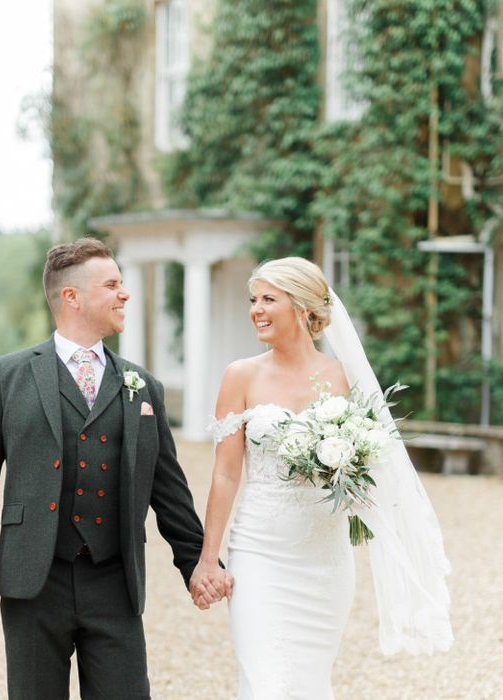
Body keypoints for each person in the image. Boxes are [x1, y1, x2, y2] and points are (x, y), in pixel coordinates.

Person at [0, 237, 230, 699]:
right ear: (71, 297)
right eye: (112, 284)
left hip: (114, 581)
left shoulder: (143, 387)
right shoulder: (8, 375)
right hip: (33, 581)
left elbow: (169, 491)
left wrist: (198, 565)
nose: (125, 294)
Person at [190, 257, 453, 699]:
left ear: (304, 309)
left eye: (268, 299)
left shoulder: (344, 377)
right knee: (266, 684)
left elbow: (373, 468)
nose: (256, 308)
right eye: (253, 299)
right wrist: (207, 557)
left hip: (324, 560)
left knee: (310, 684)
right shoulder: (241, 375)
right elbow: (225, 474)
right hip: (259, 553)